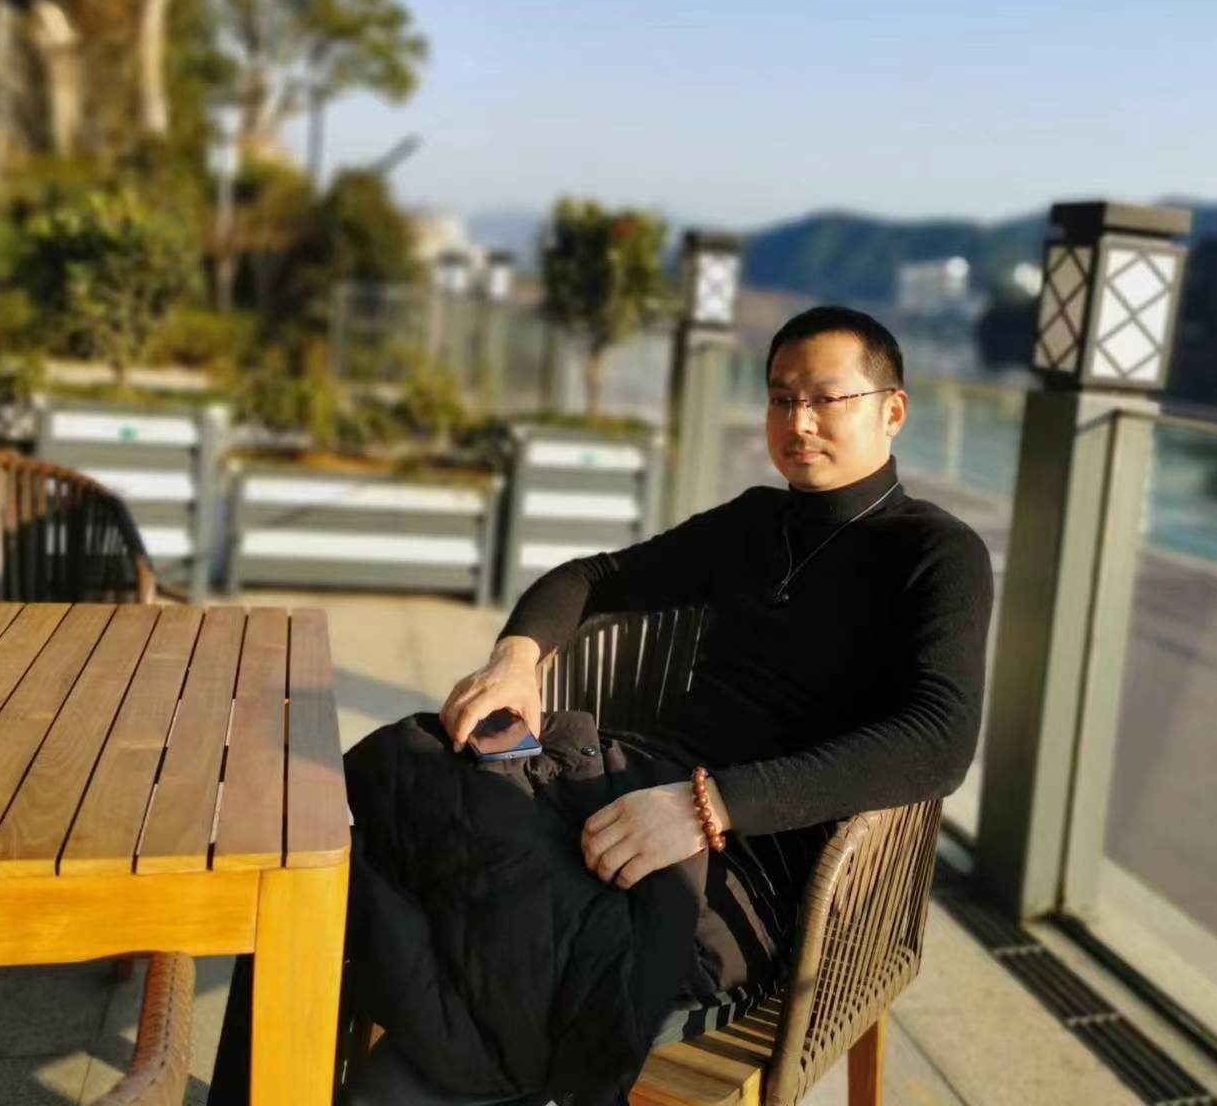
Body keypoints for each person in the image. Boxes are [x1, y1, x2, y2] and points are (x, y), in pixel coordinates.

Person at [209, 305, 993, 1106]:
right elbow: (592, 578)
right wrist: (517, 659)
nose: (798, 421)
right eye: (780, 397)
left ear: (892, 410)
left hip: (743, 869)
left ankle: (422, 1050)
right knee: (396, 768)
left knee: (490, 907)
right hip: (625, 782)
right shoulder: (757, 523)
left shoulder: (936, 554)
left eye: (826, 398)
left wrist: (712, 807)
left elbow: (940, 739)